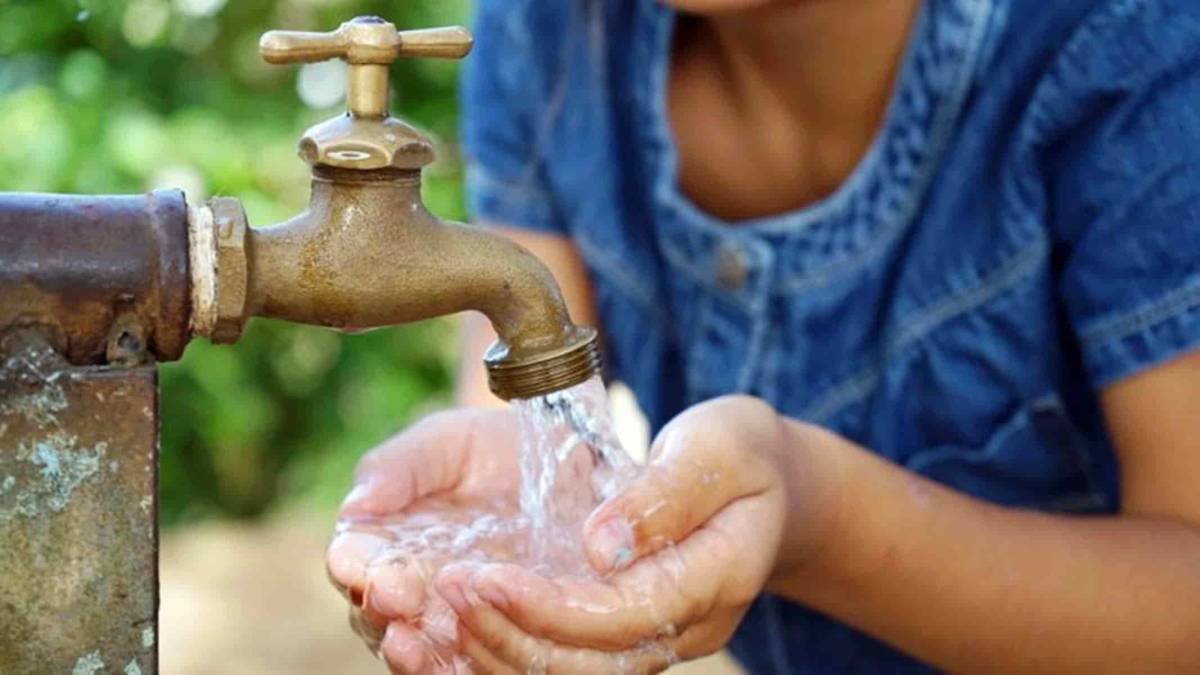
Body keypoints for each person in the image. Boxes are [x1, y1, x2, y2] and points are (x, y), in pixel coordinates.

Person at [326, 0, 1200, 672]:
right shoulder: (548, 32)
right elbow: (527, 386)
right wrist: (499, 544)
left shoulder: (1129, 50)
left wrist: (819, 515)